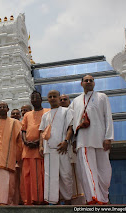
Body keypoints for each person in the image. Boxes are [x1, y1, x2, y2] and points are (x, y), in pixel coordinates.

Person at [70, 75, 113, 205]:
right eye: (86, 80)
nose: (88, 82)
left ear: (94, 83)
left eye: (91, 80)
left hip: (101, 138)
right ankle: (93, 198)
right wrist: (73, 140)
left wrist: (108, 137)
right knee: (88, 170)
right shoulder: (76, 101)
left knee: (105, 171)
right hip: (83, 139)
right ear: (81, 83)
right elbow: (71, 122)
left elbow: (108, 117)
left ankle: (104, 198)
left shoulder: (102, 97)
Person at [39, 90, 74, 205]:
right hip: (49, 150)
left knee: (66, 175)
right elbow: (42, 132)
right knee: (51, 177)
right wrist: (40, 146)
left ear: (59, 98)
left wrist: (66, 141)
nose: (53, 98)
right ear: (47, 99)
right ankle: (54, 202)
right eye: (50, 96)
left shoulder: (66, 111)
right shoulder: (45, 115)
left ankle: (68, 201)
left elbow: (70, 127)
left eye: (55, 96)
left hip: (63, 149)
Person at [0, 102, 22, 205]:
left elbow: (19, 142)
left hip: (10, 154)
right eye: (0, 107)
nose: (2, 108)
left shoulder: (15, 123)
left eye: (4, 107)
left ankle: (7, 201)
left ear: (8, 109)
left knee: (9, 180)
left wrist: (18, 156)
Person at [20, 91, 49, 205]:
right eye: (32, 98)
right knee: (27, 176)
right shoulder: (27, 114)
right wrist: (26, 141)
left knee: (39, 176)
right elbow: (23, 130)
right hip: (27, 150)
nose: (35, 100)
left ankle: (40, 199)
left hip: (40, 149)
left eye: (37, 97)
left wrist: (38, 142)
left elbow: (48, 129)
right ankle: (29, 200)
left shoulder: (47, 112)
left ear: (41, 99)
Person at [60, 94, 85, 204]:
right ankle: (67, 199)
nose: (62, 101)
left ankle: (78, 200)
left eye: (65, 99)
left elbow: (76, 129)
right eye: (60, 100)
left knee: (76, 174)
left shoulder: (73, 113)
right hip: (60, 149)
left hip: (72, 147)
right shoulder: (56, 114)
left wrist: (73, 142)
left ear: (69, 101)